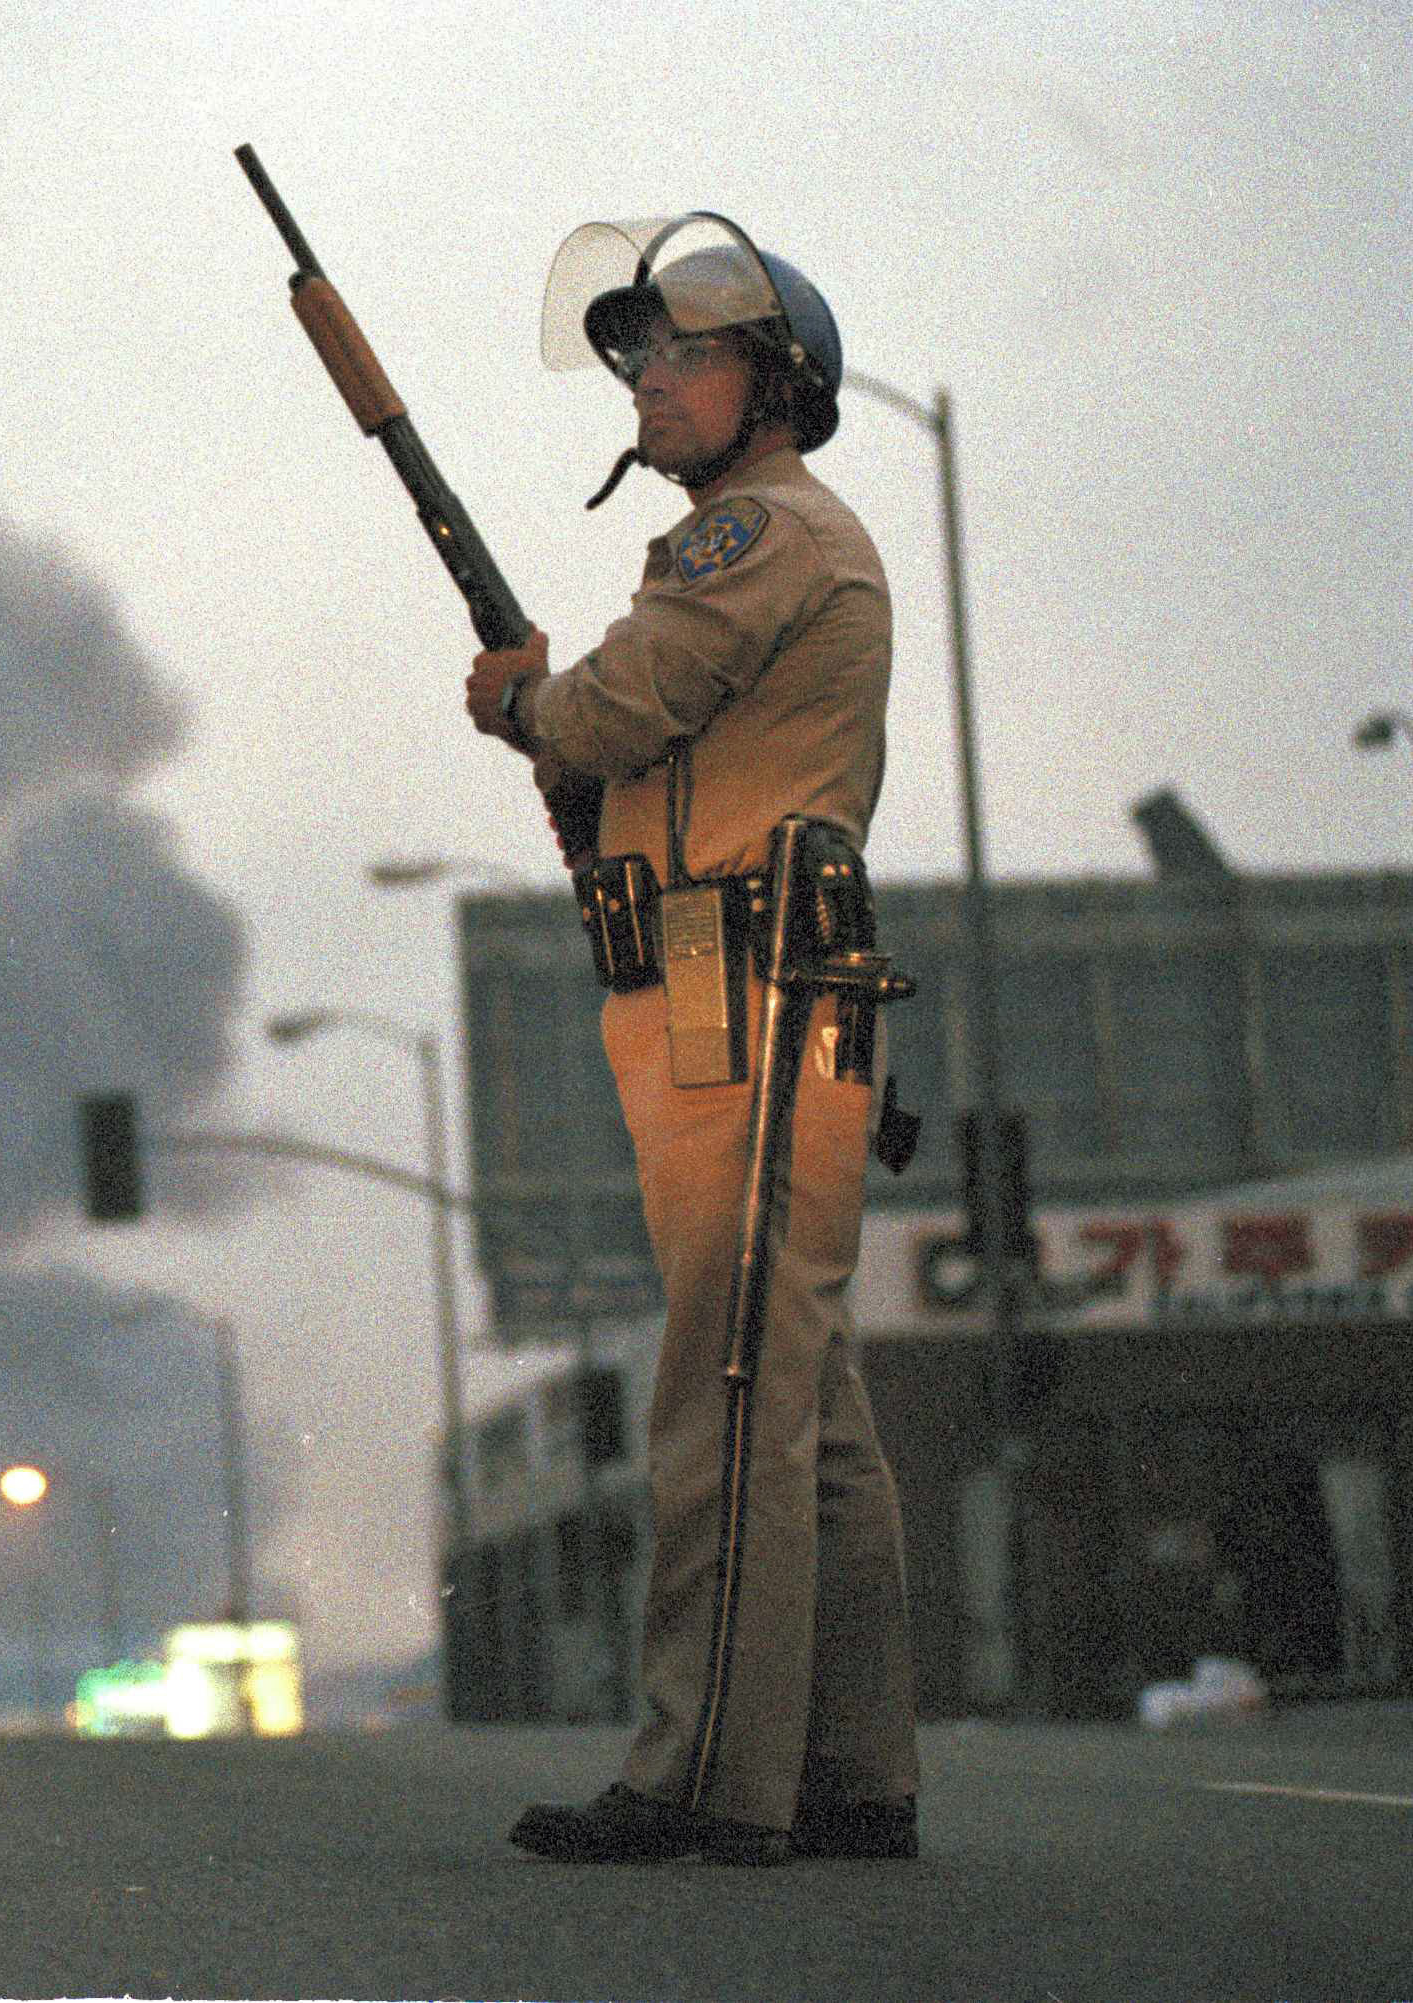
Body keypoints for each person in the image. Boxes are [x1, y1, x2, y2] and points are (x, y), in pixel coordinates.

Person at [461, 215, 920, 1865]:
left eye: (680, 352)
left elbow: (607, 709)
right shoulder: (766, 536)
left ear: (770, 383)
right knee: (809, 1407)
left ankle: (697, 1777)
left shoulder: (756, 534)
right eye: (637, 355)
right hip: (738, 984)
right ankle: (856, 1777)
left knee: (724, 1394)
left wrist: (518, 697)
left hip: (745, 995)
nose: (646, 380)